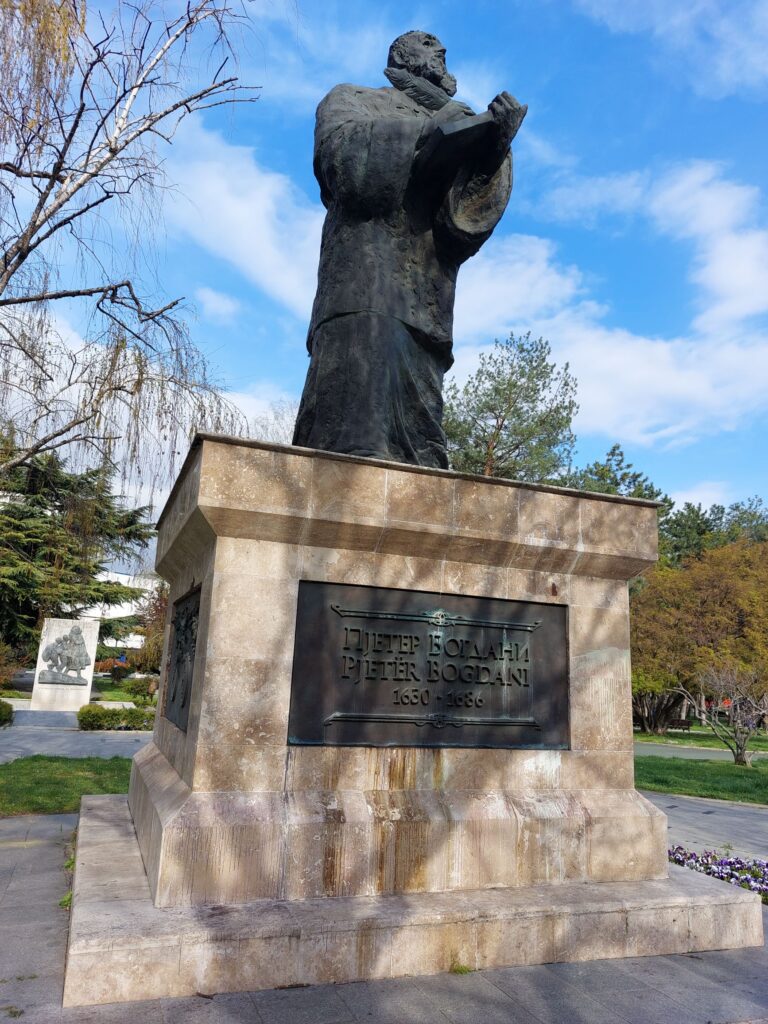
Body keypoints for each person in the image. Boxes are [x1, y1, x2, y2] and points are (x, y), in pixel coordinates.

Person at [293, 30, 526, 468]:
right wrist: (429, 130)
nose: (440, 50)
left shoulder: (455, 115)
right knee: (355, 437)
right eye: (426, 43)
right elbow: (340, 161)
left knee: (420, 444)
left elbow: (462, 224)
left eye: (440, 44)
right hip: (365, 277)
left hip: (425, 292)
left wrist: (494, 148)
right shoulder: (353, 97)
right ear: (401, 55)